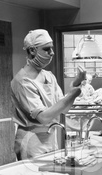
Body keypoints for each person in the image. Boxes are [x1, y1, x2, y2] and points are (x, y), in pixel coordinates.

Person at [11, 29, 86, 160]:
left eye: (51, 49)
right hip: (31, 141)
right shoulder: (22, 81)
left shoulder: (48, 76)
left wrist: (75, 85)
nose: (52, 53)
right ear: (32, 50)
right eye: (47, 49)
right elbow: (44, 117)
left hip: (50, 137)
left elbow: (64, 108)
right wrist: (72, 94)